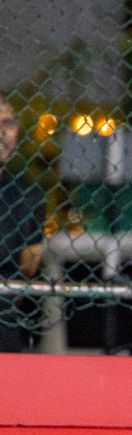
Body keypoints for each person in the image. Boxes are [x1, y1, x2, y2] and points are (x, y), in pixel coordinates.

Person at [0, 99, 45, 353]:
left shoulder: (28, 197)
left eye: (8, 123)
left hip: (6, 319)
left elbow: (29, 266)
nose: (1, 133)